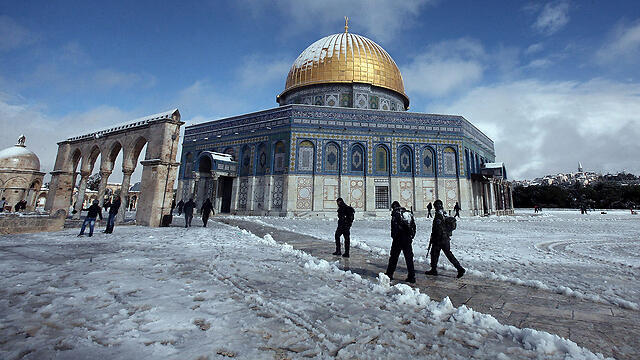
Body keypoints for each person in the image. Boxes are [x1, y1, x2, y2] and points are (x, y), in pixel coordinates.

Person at [426, 199, 465, 278]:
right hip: (446, 238)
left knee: (434, 254)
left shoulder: (439, 215)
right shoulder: (445, 213)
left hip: (439, 239)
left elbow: (438, 228)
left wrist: (434, 238)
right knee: (448, 254)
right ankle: (459, 268)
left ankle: (434, 269)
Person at [385, 201, 416, 283]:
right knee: (409, 258)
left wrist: (394, 237)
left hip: (398, 239)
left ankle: (389, 274)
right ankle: (412, 276)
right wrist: (411, 237)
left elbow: (394, 227)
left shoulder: (396, 213)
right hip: (407, 239)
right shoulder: (407, 214)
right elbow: (414, 226)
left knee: (393, 257)